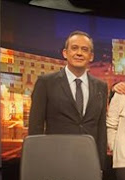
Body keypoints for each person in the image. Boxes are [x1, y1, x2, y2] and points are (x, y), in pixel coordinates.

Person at [28, 30, 108, 170]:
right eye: (74, 48)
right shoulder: (46, 83)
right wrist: (38, 163)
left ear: (91, 56)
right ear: (65, 53)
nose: (79, 53)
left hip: (89, 162)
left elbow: (101, 129)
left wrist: (100, 166)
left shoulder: (101, 86)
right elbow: (36, 127)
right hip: (56, 161)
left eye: (84, 49)